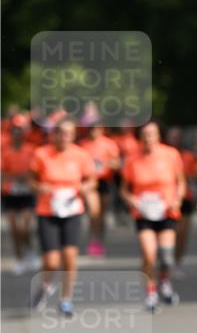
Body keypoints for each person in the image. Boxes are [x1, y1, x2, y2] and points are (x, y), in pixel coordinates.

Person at [29, 115, 97, 317]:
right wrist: (39, 186)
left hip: (72, 211)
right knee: (51, 261)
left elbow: (91, 180)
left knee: (69, 258)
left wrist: (85, 188)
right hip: (47, 211)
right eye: (60, 133)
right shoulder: (42, 154)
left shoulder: (81, 155)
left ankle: (66, 299)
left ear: (73, 135)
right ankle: (46, 284)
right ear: (54, 134)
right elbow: (31, 179)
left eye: (68, 133)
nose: (64, 137)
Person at [120, 122, 186, 311]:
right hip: (144, 212)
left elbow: (180, 182)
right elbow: (124, 189)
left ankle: (164, 280)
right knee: (149, 255)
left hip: (167, 210)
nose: (148, 138)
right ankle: (150, 291)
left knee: (166, 257)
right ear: (140, 137)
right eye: (145, 134)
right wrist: (131, 200)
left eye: (152, 134)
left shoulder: (171, 154)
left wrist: (177, 200)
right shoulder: (133, 159)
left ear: (158, 136)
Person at [79, 107, 120, 256]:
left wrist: (106, 163)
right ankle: (93, 240)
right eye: (91, 128)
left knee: (101, 214)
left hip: (105, 182)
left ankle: (99, 239)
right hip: (91, 182)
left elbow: (117, 164)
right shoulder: (83, 144)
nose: (93, 130)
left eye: (96, 127)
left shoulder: (109, 144)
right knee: (93, 212)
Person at [1, 113, 38, 273]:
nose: (17, 133)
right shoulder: (5, 150)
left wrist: (28, 177)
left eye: (20, 129)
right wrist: (15, 177)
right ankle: (19, 258)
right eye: (14, 129)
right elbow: (2, 172)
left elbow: (36, 171)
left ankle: (29, 251)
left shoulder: (31, 150)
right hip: (10, 192)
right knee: (14, 229)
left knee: (25, 227)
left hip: (26, 192)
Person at [165, 126, 197, 271]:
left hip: (186, 198)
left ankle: (177, 261)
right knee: (171, 232)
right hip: (168, 199)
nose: (175, 139)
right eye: (172, 136)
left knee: (182, 234)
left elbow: (194, 176)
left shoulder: (188, 156)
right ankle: (167, 261)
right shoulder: (163, 155)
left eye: (177, 136)